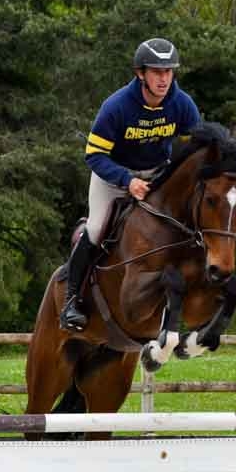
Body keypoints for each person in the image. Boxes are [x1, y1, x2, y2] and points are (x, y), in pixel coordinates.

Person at [60, 37, 202, 332]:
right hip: (113, 175)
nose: (164, 79)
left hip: (156, 174)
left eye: (168, 72)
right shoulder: (117, 106)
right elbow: (94, 155)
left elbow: (194, 150)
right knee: (98, 228)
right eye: (156, 72)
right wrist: (127, 180)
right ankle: (71, 300)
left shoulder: (182, 104)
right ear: (141, 74)